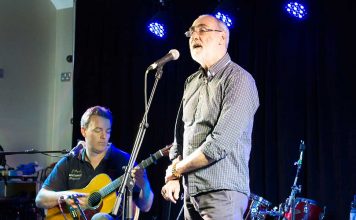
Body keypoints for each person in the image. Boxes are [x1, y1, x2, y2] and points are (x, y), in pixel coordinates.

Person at [161, 14, 260, 220]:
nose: (194, 35)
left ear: (222, 38)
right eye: (191, 31)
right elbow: (180, 136)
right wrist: (174, 177)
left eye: (203, 29)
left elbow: (219, 144)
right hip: (191, 193)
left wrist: (177, 169)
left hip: (222, 192)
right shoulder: (192, 82)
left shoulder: (239, 79)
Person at [36, 106, 154, 219]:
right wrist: (64, 196)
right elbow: (40, 199)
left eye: (108, 131)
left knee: (100, 217)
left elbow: (146, 207)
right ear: (84, 131)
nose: (104, 136)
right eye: (98, 130)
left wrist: (145, 186)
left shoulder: (123, 160)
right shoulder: (70, 160)